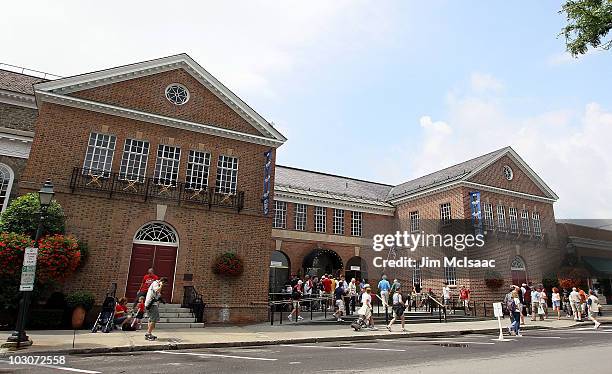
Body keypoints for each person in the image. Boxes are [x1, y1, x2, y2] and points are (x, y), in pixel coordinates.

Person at [145, 277, 167, 341]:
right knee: (154, 319)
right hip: (151, 304)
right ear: (162, 281)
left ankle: (149, 333)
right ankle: (148, 334)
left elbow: (157, 295)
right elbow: (157, 290)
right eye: (164, 283)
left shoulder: (155, 284)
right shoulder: (155, 283)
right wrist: (161, 285)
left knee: (151, 319)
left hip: (150, 303)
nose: (164, 285)